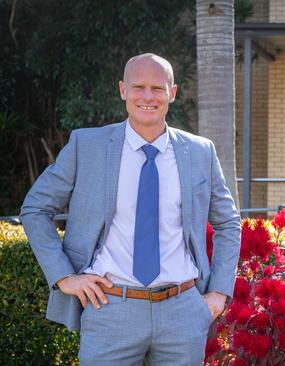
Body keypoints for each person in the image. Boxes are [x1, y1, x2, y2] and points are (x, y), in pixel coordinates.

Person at [20, 53, 241, 365]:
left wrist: (218, 293)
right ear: (123, 90)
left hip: (182, 313)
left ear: (172, 93)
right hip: (111, 310)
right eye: (138, 87)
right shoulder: (88, 146)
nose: (147, 97)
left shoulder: (200, 152)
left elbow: (229, 223)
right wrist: (64, 275)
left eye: (157, 88)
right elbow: (36, 208)